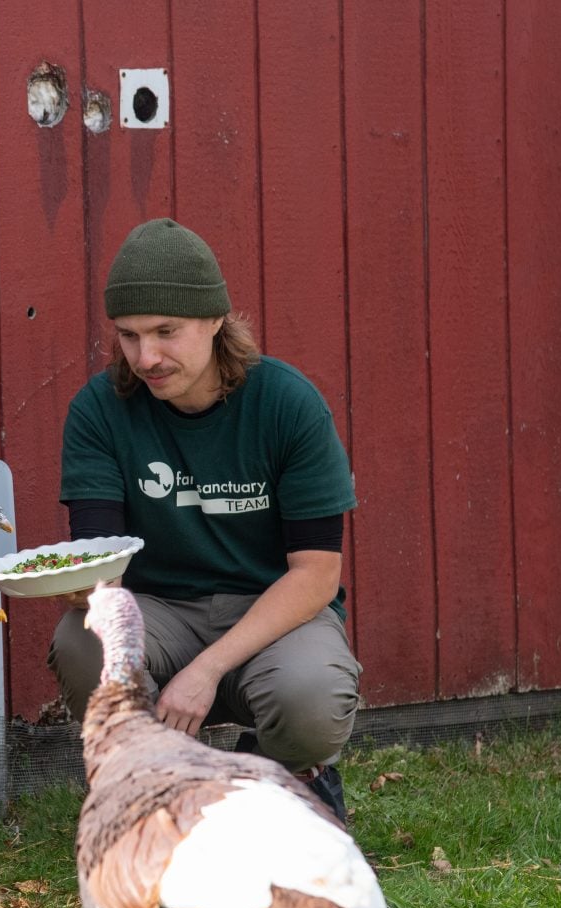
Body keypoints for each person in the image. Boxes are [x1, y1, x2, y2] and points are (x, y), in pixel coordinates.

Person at [48, 217, 360, 824]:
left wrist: (207, 670)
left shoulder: (287, 404)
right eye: (129, 336)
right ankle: (154, 787)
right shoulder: (99, 410)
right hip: (158, 609)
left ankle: (285, 773)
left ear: (216, 321)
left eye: (167, 331)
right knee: (82, 641)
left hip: (273, 610)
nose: (146, 357)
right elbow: (100, 563)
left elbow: (316, 576)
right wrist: (72, 582)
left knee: (311, 699)